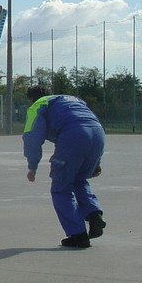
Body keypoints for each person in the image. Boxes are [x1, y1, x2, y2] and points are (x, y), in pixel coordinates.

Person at [22, 85, 106, 249]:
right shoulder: (73, 100)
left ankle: (78, 235)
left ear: (31, 99)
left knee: (60, 188)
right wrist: (96, 161)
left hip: (73, 137)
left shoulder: (38, 105)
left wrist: (32, 166)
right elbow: (90, 122)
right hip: (98, 135)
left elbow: (32, 136)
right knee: (79, 179)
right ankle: (94, 214)